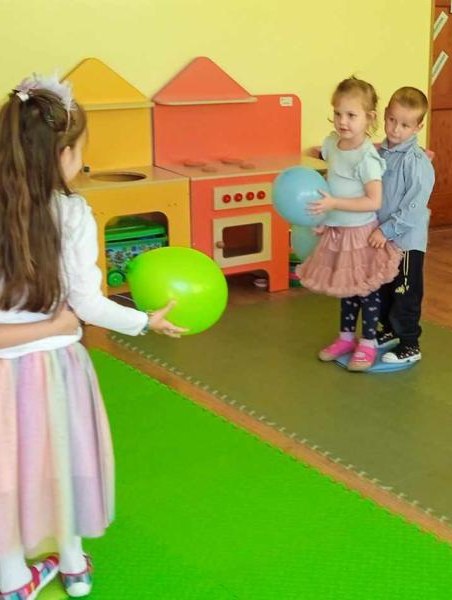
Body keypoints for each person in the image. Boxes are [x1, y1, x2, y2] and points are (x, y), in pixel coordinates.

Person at [0, 74, 181, 600]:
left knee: (8, 473)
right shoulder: (73, 213)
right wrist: (145, 321)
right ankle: (75, 566)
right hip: (55, 370)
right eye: (79, 152)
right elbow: (88, 305)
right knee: (62, 461)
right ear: (61, 155)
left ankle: (12, 579)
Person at [296, 77, 401, 371]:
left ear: (369, 118)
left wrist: (333, 205)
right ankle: (345, 338)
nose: (343, 121)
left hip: (360, 235)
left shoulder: (367, 158)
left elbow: (373, 201)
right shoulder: (332, 144)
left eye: (352, 115)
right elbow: (331, 184)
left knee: (365, 291)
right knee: (346, 289)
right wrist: (326, 219)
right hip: (337, 231)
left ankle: (368, 343)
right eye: (338, 113)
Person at [368, 87, 435, 364]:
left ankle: (409, 344)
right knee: (384, 286)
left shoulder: (416, 162)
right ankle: (389, 330)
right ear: (385, 115)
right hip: (383, 238)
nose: (396, 129)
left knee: (404, 291)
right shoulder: (381, 153)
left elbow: (414, 208)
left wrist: (386, 230)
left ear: (418, 127)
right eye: (392, 120)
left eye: (405, 125)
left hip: (406, 242)